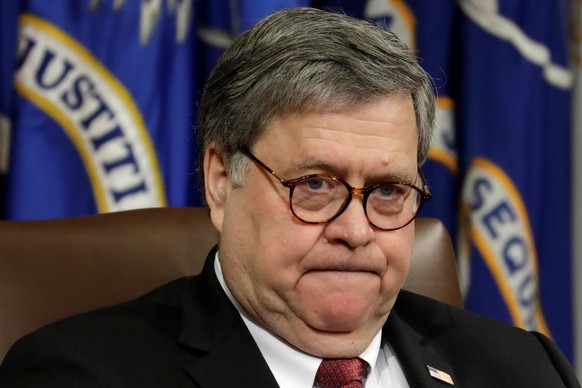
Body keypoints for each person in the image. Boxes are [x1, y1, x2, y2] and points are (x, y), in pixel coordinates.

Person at [0, 7, 579, 388]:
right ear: (222, 181)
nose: (356, 230)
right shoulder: (80, 375)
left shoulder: (525, 371)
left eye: (387, 191)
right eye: (317, 185)